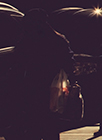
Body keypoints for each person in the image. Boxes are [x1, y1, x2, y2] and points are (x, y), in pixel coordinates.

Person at [13, 8, 74, 140]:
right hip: (52, 85)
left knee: (33, 121)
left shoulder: (28, 40)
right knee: (50, 122)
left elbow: (18, 63)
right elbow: (69, 62)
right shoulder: (58, 39)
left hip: (32, 84)